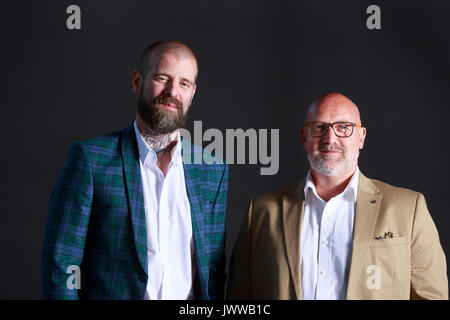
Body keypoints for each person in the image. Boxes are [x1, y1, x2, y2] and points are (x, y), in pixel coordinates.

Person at [42, 41, 229, 300]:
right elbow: (61, 267)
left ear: (192, 93)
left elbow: (214, 271)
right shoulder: (90, 160)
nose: (172, 91)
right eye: (163, 78)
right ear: (137, 81)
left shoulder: (212, 170)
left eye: (184, 83)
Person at [227, 92, 448, 300]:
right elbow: (239, 300)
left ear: (361, 137)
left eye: (343, 127)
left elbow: (431, 296)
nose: (330, 138)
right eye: (319, 127)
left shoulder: (408, 209)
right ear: (304, 137)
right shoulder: (261, 211)